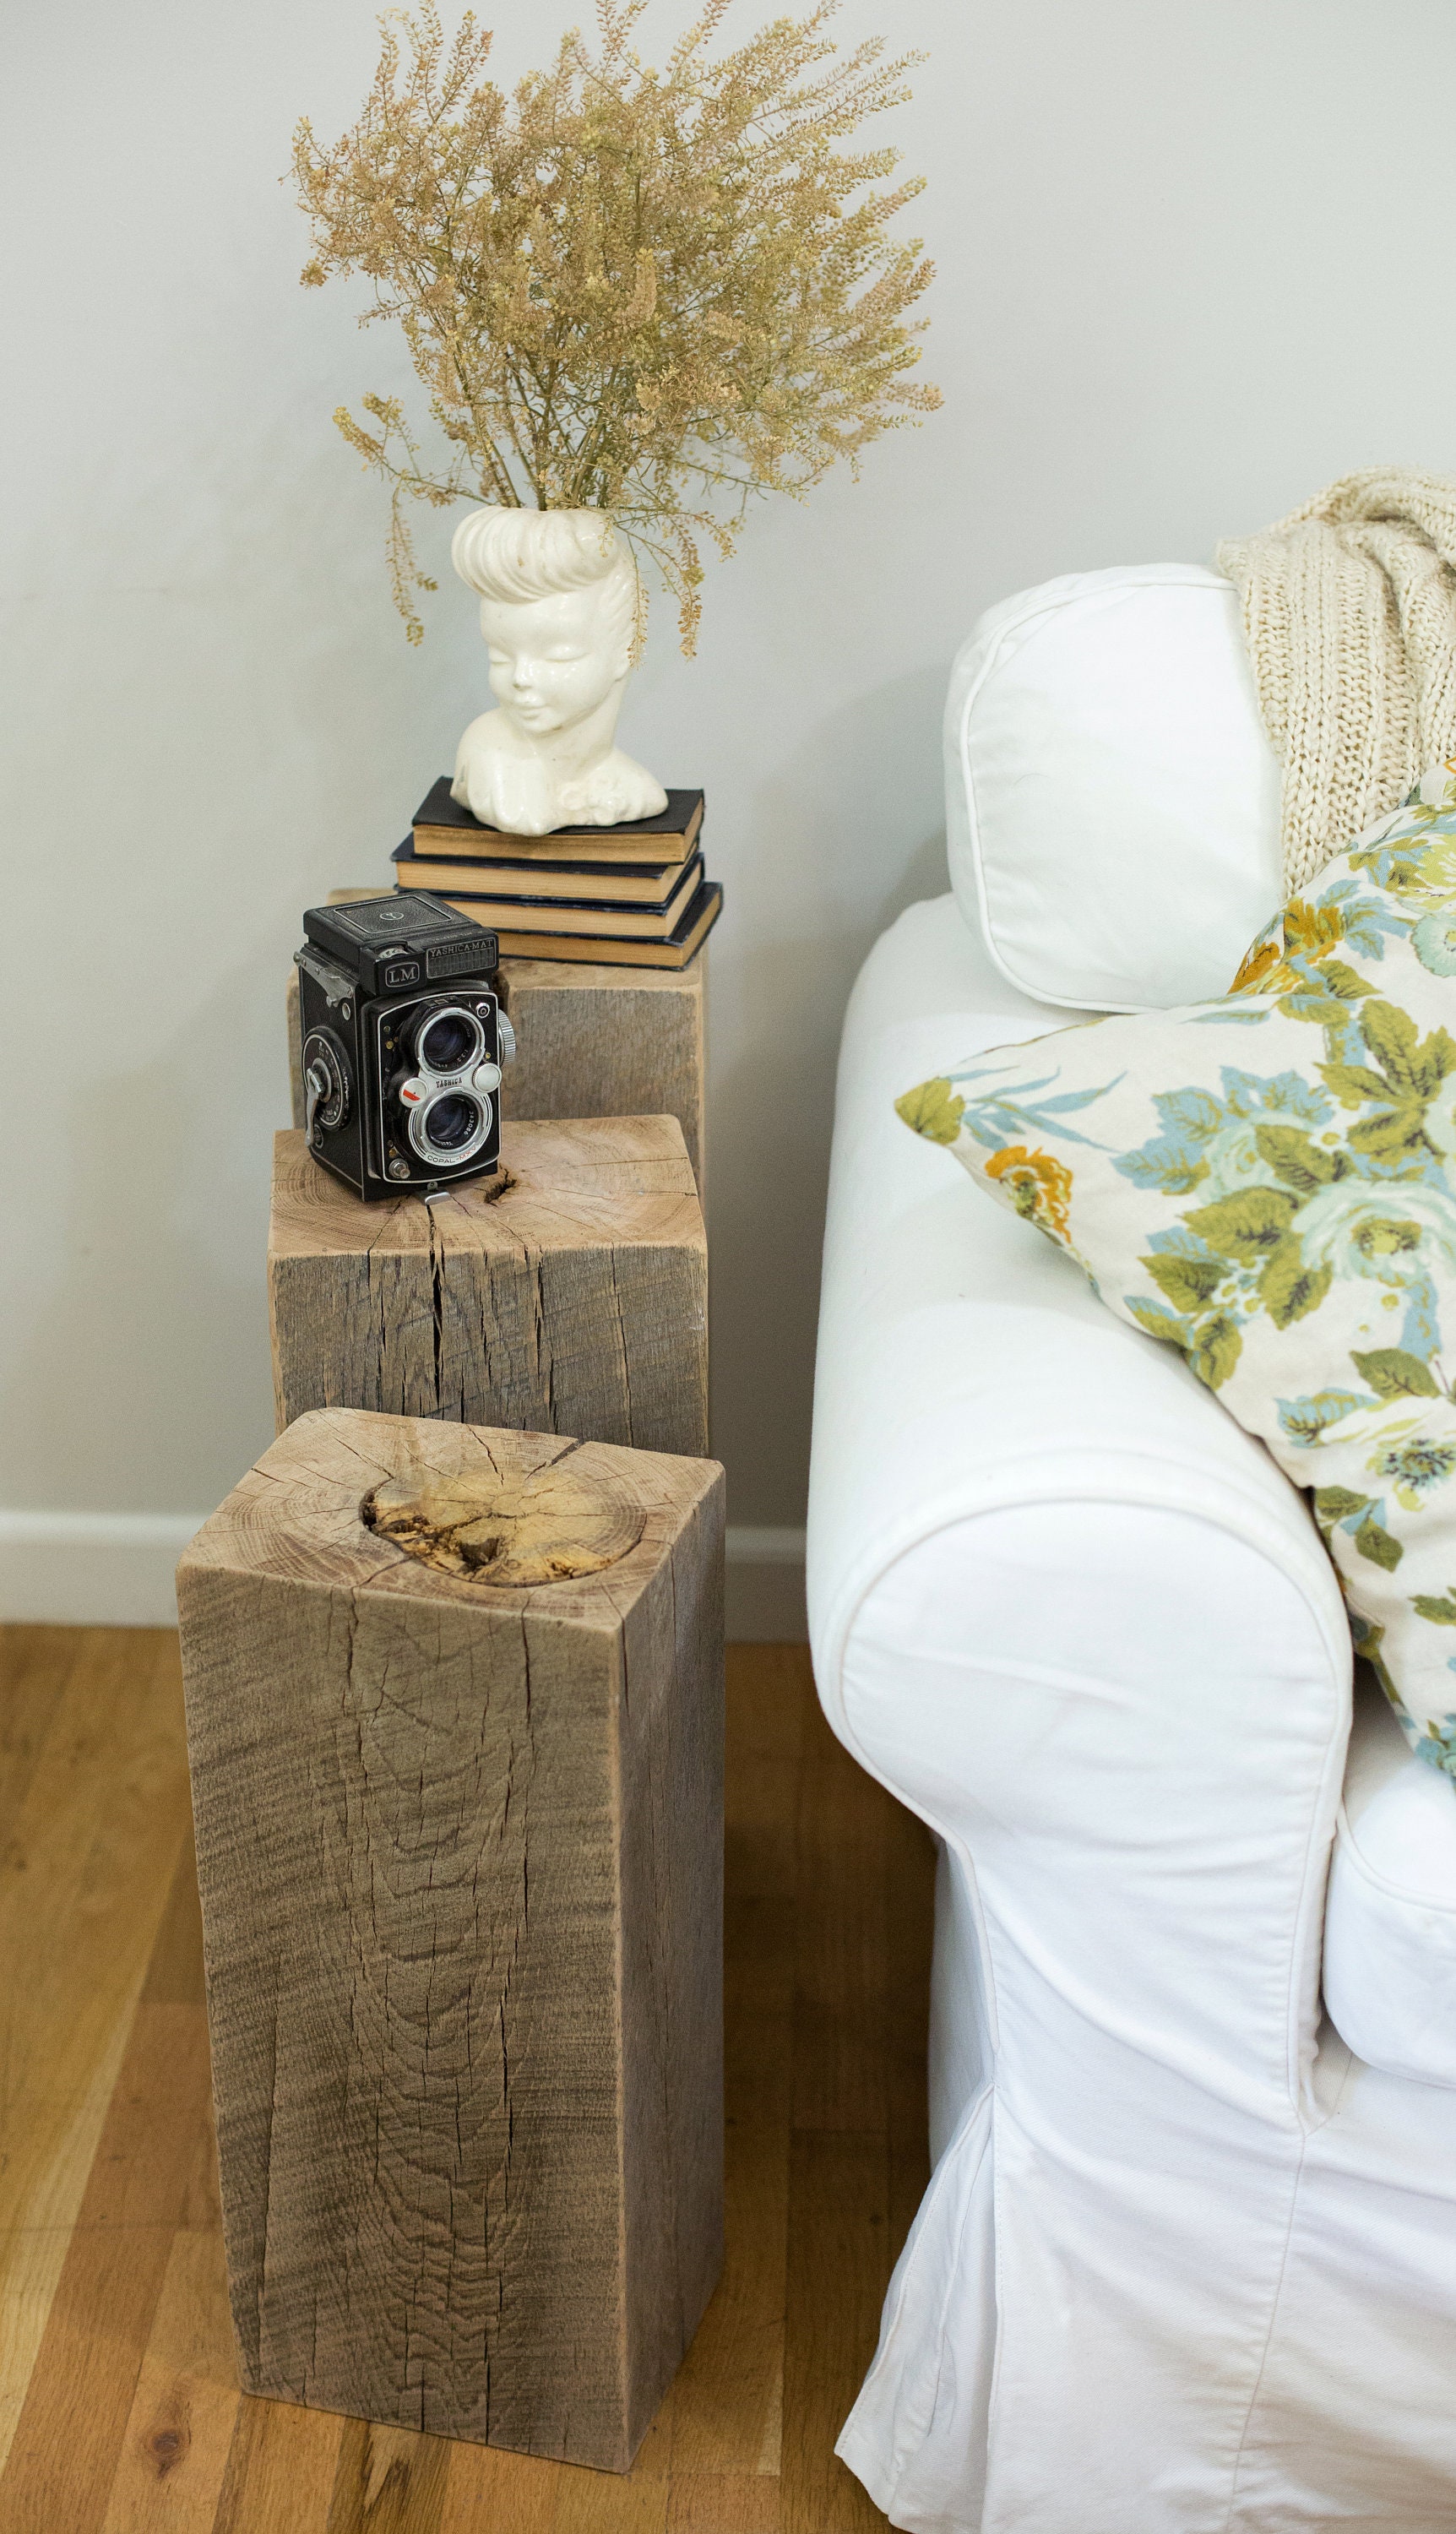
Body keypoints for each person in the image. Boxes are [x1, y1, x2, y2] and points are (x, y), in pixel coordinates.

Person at [450, 507, 668, 835]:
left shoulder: (634, 788)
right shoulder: (494, 761)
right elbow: (526, 817)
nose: (520, 678)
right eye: (500, 657)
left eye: (558, 656)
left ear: (627, 648)